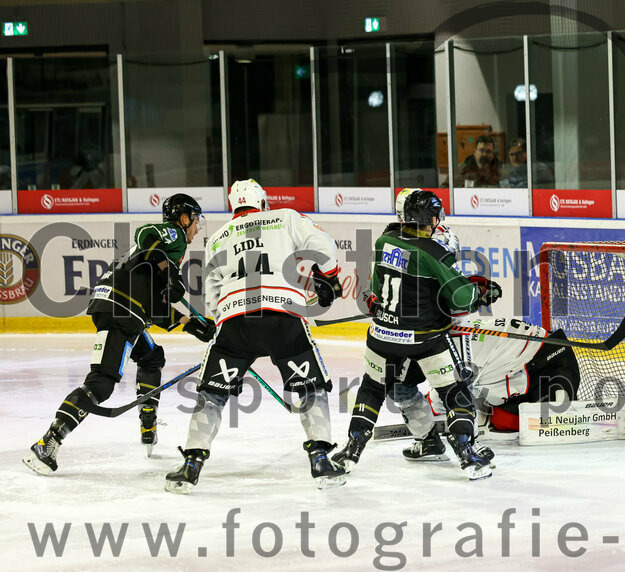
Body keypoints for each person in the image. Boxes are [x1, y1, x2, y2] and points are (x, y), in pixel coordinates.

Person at [164, 179, 347, 493]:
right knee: (311, 388)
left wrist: (224, 328)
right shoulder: (286, 217)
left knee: (213, 393)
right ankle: (320, 459)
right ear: (262, 202)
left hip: (236, 322)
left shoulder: (219, 237)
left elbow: (212, 295)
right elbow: (325, 246)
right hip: (284, 318)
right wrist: (327, 278)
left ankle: (192, 463)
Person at [23, 194, 216, 475]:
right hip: (120, 310)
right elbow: (146, 232)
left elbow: (154, 309)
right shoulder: (171, 237)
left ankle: (148, 423)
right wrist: (169, 273)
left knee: (152, 357)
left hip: (124, 310)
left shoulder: (159, 256)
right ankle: (49, 441)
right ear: (184, 218)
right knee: (101, 383)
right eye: (196, 221)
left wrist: (192, 323)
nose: (197, 228)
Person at [332, 188, 502, 480]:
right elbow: (460, 299)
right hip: (424, 339)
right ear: (433, 219)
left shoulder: (384, 241)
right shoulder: (436, 252)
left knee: (375, 389)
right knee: (454, 392)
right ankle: (467, 454)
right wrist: (482, 294)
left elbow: (375, 292)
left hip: (382, 336)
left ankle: (353, 449)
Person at [391, 317, 581, 460]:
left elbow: (450, 393)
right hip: (528, 359)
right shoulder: (449, 336)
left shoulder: (457, 351)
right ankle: (485, 414)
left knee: (507, 421)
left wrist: (424, 415)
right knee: (491, 411)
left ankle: (484, 416)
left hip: (552, 364)